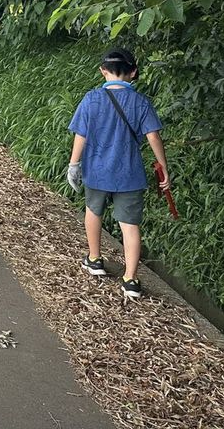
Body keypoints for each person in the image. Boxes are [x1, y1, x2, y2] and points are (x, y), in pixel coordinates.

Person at [67, 49, 170, 299]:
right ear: (133, 72)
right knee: (130, 225)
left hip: (97, 170)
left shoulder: (91, 99)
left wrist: (73, 164)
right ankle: (131, 279)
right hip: (129, 174)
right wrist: (163, 165)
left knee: (93, 212)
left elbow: (81, 134)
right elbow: (153, 136)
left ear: (103, 71)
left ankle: (94, 260)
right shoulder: (141, 102)